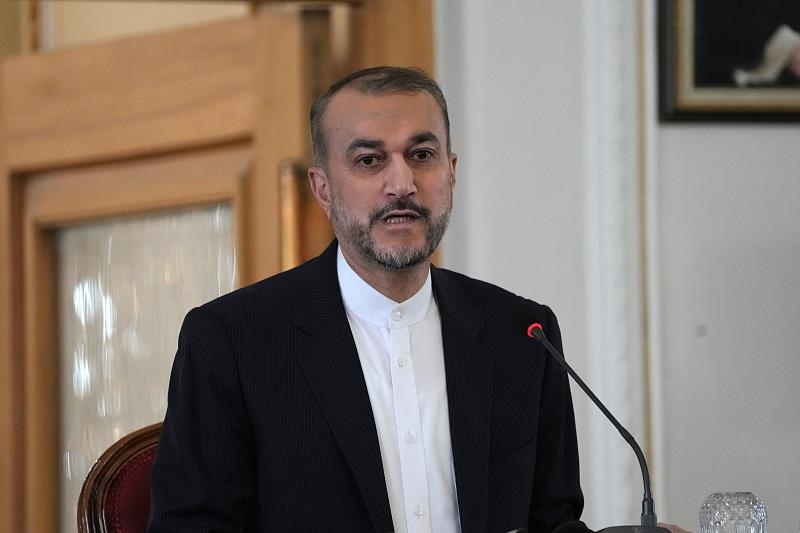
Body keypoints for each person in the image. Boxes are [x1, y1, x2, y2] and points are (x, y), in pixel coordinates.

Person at [149, 66, 676, 533]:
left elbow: (552, 521)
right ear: (323, 188)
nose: (401, 183)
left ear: (451, 171)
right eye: (369, 160)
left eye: (421, 155)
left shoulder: (523, 333)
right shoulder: (233, 340)